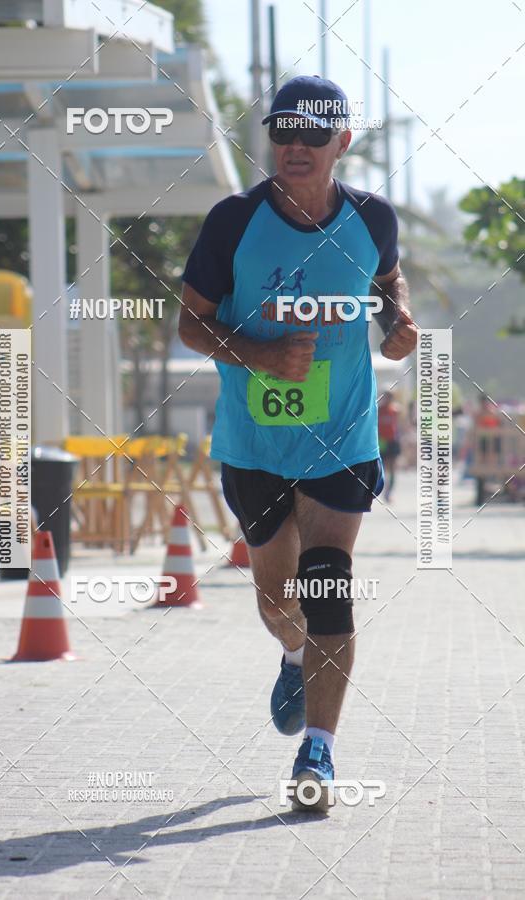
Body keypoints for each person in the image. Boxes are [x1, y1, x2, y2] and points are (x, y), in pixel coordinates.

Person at [178, 75, 417, 811]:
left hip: (342, 436)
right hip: (255, 444)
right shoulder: (233, 222)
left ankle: (320, 750)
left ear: (343, 143)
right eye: (284, 131)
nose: (296, 146)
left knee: (326, 584)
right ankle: (291, 655)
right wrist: (261, 356)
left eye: (315, 135)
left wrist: (399, 322)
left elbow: (389, 279)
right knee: (281, 603)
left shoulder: (373, 219)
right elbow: (191, 324)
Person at [378, 390, 402, 502]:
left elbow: (400, 424)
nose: (388, 399)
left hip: (392, 440)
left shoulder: (395, 410)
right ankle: (379, 489)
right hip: (382, 441)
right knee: (381, 467)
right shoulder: (379, 409)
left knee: (392, 467)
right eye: (386, 397)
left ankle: (389, 491)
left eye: (390, 397)